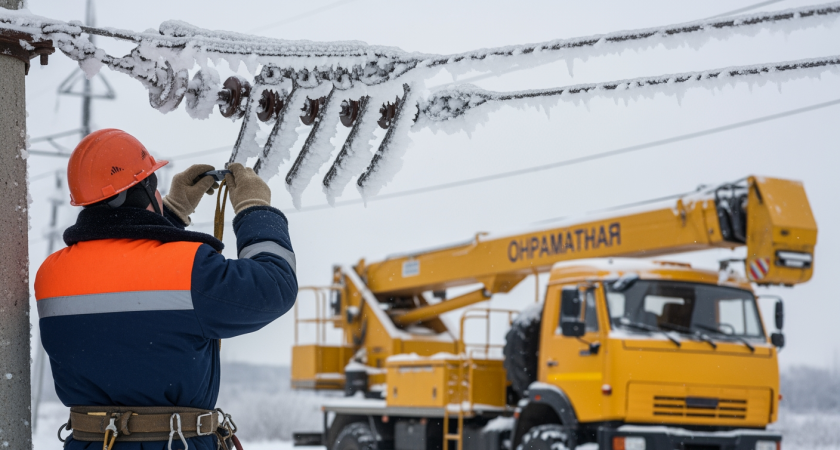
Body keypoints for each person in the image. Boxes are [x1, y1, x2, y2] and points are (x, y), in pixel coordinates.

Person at [34, 129, 298, 450]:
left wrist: (171, 214)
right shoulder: (189, 269)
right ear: (145, 192)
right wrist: (256, 210)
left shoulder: (52, 274)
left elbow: (129, 273)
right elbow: (273, 287)